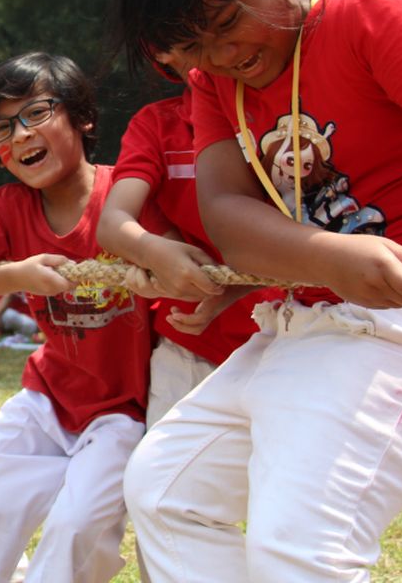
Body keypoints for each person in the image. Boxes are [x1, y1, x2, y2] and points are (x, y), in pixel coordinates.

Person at [111, 0, 402, 582]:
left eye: (228, 22)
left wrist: (331, 261)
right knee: (166, 492)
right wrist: (330, 256)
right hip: (306, 319)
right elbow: (230, 221)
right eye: (194, 45)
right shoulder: (214, 85)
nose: (224, 55)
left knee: (301, 543)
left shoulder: (374, 12)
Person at [0, 52, 156, 583]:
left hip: (124, 413)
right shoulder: (8, 207)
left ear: (82, 116)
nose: (21, 134)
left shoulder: (126, 195)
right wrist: (18, 275)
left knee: (76, 530)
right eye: (2, 128)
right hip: (47, 399)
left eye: (35, 113)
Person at [97, 58, 273, 426]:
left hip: (290, 336)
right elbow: (114, 223)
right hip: (191, 345)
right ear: (162, 53)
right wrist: (151, 249)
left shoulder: (288, 115)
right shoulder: (157, 125)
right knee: (157, 477)